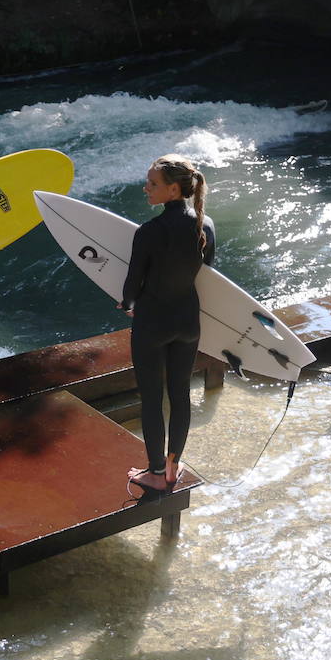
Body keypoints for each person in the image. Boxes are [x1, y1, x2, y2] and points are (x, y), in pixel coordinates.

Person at [122, 155, 206, 493]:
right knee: (181, 395)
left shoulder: (149, 231)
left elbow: (132, 284)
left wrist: (127, 304)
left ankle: (156, 471)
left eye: (152, 184)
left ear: (173, 189)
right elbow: (205, 272)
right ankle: (173, 468)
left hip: (153, 324)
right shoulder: (205, 225)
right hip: (188, 321)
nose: (146, 188)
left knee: (153, 399)